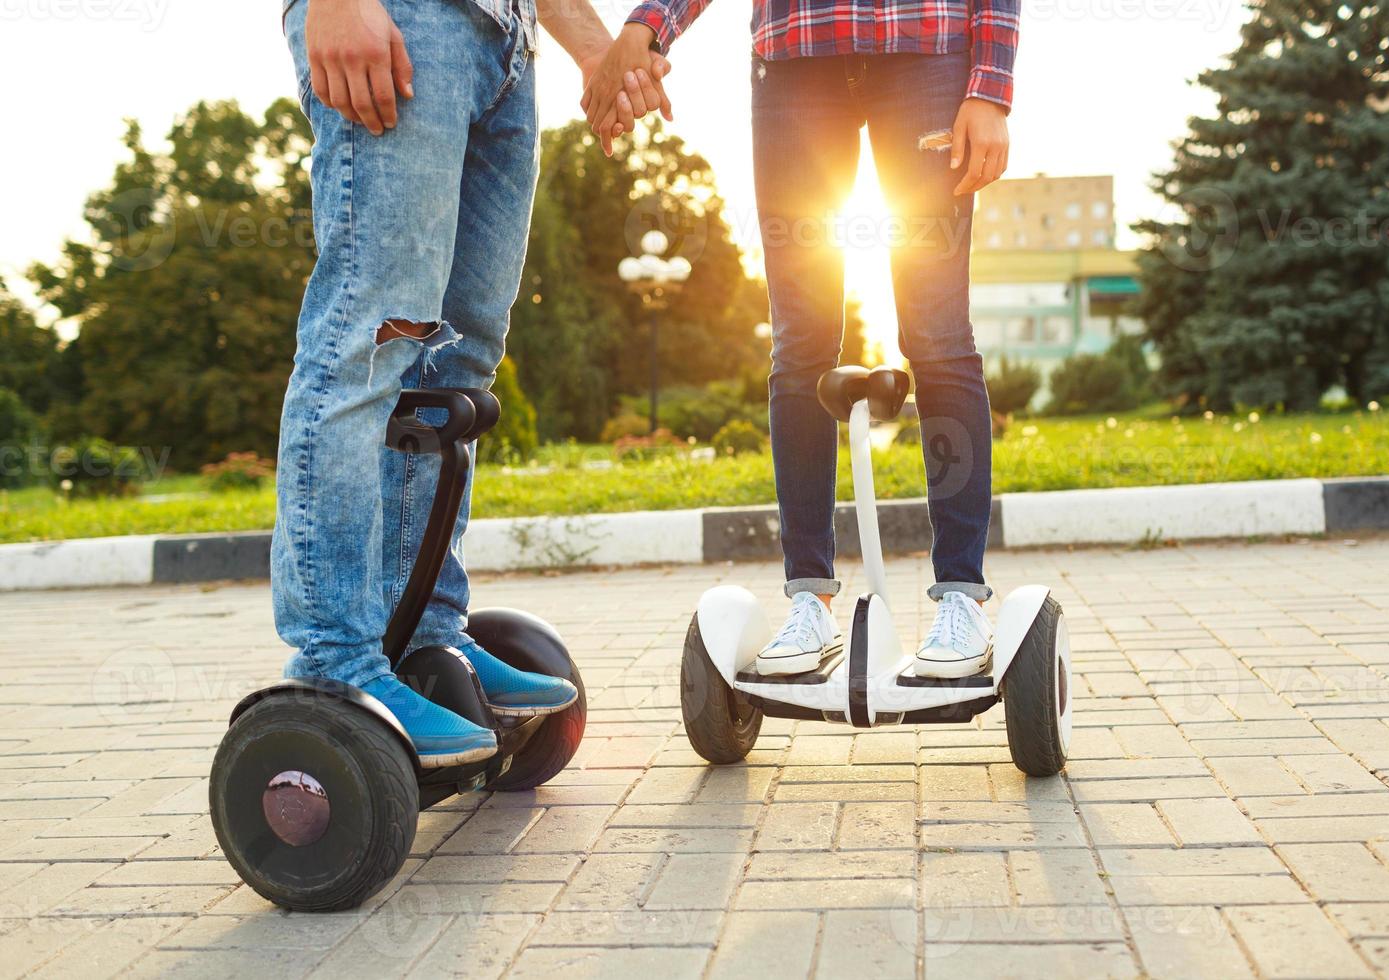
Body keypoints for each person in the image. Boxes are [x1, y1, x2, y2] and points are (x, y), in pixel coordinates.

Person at [273, 0, 671, 767]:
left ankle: (423, 633)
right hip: (400, 17)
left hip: (505, 44)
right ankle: (335, 661)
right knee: (370, 341)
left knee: (457, 361)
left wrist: (593, 54)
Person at [586, 1, 1018, 679]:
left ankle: (962, 595)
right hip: (795, 54)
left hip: (929, 46)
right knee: (801, 343)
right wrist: (646, 27)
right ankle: (808, 598)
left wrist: (991, 84)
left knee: (936, 333)